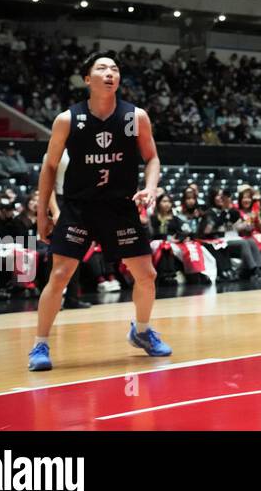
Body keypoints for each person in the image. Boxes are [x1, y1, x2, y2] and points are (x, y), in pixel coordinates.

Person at [30, 51, 171, 371]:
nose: (110, 73)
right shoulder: (68, 119)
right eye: (102, 68)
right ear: (87, 79)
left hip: (120, 207)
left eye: (115, 69)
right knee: (60, 274)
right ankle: (40, 344)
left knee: (147, 275)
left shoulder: (136, 117)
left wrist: (150, 187)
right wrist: (43, 214)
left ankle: (143, 332)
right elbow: (49, 167)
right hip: (79, 207)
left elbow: (152, 158)